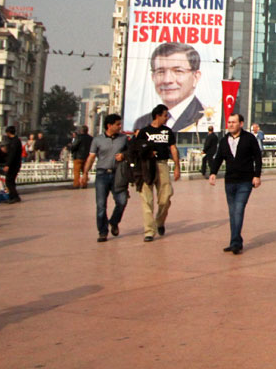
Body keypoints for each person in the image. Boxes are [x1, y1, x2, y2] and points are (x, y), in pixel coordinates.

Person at [209, 113, 262, 255]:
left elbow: (257, 157)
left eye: (233, 122)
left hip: (245, 181)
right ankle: (235, 241)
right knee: (232, 213)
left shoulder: (249, 138)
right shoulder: (224, 140)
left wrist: (257, 175)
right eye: (229, 122)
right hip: (230, 181)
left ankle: (236, 243)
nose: (230, 124)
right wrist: (213, 173)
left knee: (238, 210)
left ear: (241, 124)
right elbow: (219, 157)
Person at [129, 104, 181, 242]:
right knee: (147, 200)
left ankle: (160, 221)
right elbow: (135, 149)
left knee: (165, 197)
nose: (167, 118)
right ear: (158, 115)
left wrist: (177, 166)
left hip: (162, 165)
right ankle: (149, 231)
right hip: (147, 166)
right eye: (165, 115)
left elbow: (173, 149)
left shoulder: (168, 131)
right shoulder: (144, 132)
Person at [132, 42, 207, 132]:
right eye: (161, 72)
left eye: (178, 71)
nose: (167, 80)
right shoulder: (142, 122)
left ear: (196, 77)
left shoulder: (205, 118)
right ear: (153, 77)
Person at [83, 114, 129, 242]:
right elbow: (91, 157)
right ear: (109, 125)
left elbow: (130, 152)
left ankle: (114, 221)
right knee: (101, 205)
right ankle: (102, 232)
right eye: (117, 124)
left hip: (118, 174)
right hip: (102, 174)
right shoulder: (97, 140)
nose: (120, 126)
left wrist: (124, 156)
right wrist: (85, 173)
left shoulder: (123, 138)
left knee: (122, 200)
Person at [2, 125, 23, 203]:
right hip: (16, 163)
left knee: (9, 181)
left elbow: (12, 154)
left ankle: (15, 196)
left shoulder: (14, 142)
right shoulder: (16, 141)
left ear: (8, 133)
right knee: (11, 181)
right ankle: (12, 196)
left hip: (14, 164)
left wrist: (7, 164)